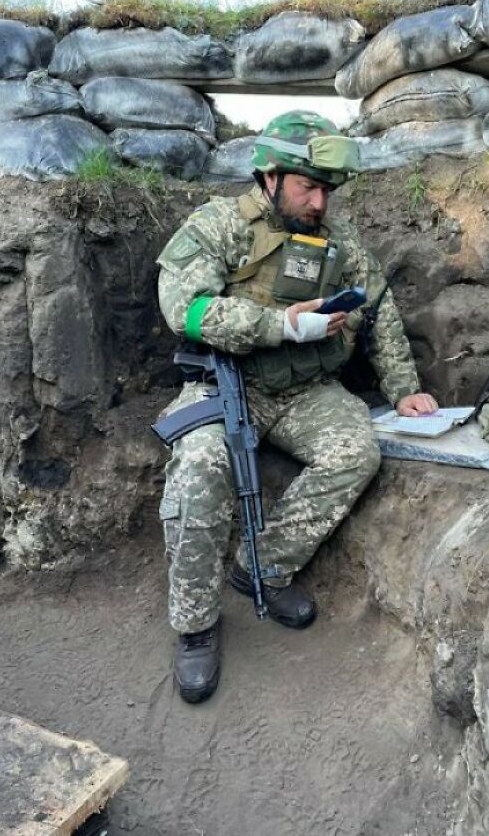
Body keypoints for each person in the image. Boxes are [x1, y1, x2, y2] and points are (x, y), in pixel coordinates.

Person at [156, 110, 437, 703]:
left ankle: (262, 568)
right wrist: (280, 325)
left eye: (325, 191)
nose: (318, 203)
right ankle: (196, 623)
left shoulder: (339, 240)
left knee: (356, 450)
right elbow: (188, 310)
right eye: (308, 187)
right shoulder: (217, 227)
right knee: (202, 466)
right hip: (229, 383)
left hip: (305, 392)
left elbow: (379, 309)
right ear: (270, 176)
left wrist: (403, 389)